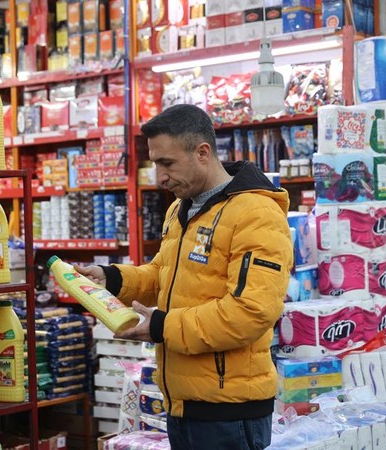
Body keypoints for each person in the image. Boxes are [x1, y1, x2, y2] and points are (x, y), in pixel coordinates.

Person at [76, 104, 293, 449]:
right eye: (154, 163)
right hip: (182, 403)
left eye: (167, 163)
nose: (159, 177)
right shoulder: (181, 209)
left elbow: (251, 313)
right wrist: (111, 279)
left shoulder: (256, 213)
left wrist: (162, 327)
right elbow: (162, 275)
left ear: (202, 152)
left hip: (231, 412)